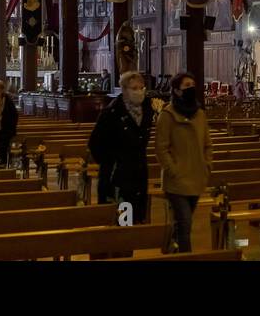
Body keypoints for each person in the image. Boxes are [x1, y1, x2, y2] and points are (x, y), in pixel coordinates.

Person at [154, 72, 212, 253]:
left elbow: (207, 144)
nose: (191, 89)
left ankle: (171, 245)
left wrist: (207, 165)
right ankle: (186, 256)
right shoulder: (167, 115)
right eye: (186, 86)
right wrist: (173, 170)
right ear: (177, 91)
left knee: (182, 222)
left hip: (196, 177)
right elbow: (161, 148)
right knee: (185, 224)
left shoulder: (200, 114)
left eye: (192, 85)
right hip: (177, 181)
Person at [88, 72, 154, 223]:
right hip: (117, 178)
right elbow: (95, 144)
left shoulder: (147, 112)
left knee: (134, 223)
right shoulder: (112, 113)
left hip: (138, 176)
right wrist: (112, 162)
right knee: (121, 224)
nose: (139, 91)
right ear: (124, 90)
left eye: (141, 88)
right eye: (134, 88)